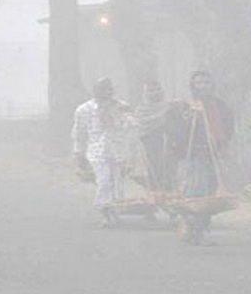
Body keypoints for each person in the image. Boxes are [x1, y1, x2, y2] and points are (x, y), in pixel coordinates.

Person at [173, 70, 234, 245]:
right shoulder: (186, 106)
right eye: (199, 83)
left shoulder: (220, 106)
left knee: (210, 194)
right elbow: (177, 131)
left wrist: (221, 144)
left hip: (213, 154)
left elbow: (229, 126)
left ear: (212, 85)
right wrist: (193, 116)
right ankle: (190, 226)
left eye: (206, 83)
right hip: (193, 154)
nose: (203, 86)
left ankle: (200, 230)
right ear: (193, 85)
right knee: (195, 193)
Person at [71, 78, 133, 228]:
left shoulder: (121, 106)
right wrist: (79, 153)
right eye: (102, 89)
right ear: (95, 91)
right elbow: (79, 133)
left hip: (118, 150)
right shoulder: (84, 109)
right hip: (97, 151)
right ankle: (105, 214)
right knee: (104, 181)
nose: (106, 93)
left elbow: (132, 125)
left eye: (109, 89)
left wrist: (124, 115)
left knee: (117, 182)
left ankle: (115, 213)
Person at [134, 80, 177, 193]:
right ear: (145, 93)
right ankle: (155, 190)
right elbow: (140, 123)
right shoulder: (141, 109)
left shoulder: (170, 106)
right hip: (149, 141)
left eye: (157, 89)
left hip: (168, 140)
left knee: (168, 165)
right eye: (151, 90)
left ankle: (169, 188)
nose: (154, 93)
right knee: (153, 165)